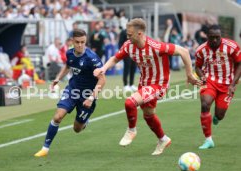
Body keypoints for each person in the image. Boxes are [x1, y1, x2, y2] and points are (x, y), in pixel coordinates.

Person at [94, 18, 201, 155]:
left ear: (139, 34)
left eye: (130, 34)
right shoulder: (128, 46)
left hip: (159, 84)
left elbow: (184, 52)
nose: (127, 37)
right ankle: (163, 139)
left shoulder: (156, 47)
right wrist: (104, 68)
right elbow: (115, 58)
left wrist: (189, 74)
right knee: (148, 115)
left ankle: (131, 130)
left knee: (130, 103)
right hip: (144, 84)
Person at [34, 29, 106, 157]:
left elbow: (102, 79)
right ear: (72, 41)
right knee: (58, 117)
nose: (80, 45)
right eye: (77, 42)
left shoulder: (92, 58)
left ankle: (84, 121)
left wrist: (91, 97)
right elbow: (68, 66)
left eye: (83, 42)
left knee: (77, 129)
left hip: (87, 96)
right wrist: (58, 78)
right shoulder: (70, 53)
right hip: (72, 90)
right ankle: (45, 148)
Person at [195, 25, 241, 149]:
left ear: (221, 36)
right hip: (210, 81)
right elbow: (197, 66)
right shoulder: (201, 50)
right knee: (205, 104)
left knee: (220, 115)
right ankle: (208, 140)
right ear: (207, 37)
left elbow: (239, 63)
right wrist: (202, 77)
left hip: (227, 84)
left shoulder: (231, 46)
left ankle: (216, 117)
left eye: (217, 37)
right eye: (212, 38)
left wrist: (233, 84)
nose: (215, 40)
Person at [119, 28, 137, 92]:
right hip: (126, 53)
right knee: (127, 68)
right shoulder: (124, 32)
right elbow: (120, 43)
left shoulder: (135, 32)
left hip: (134, 52)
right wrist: (122, 52)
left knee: (133, 68)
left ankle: (131, 84)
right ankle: (125, 85)